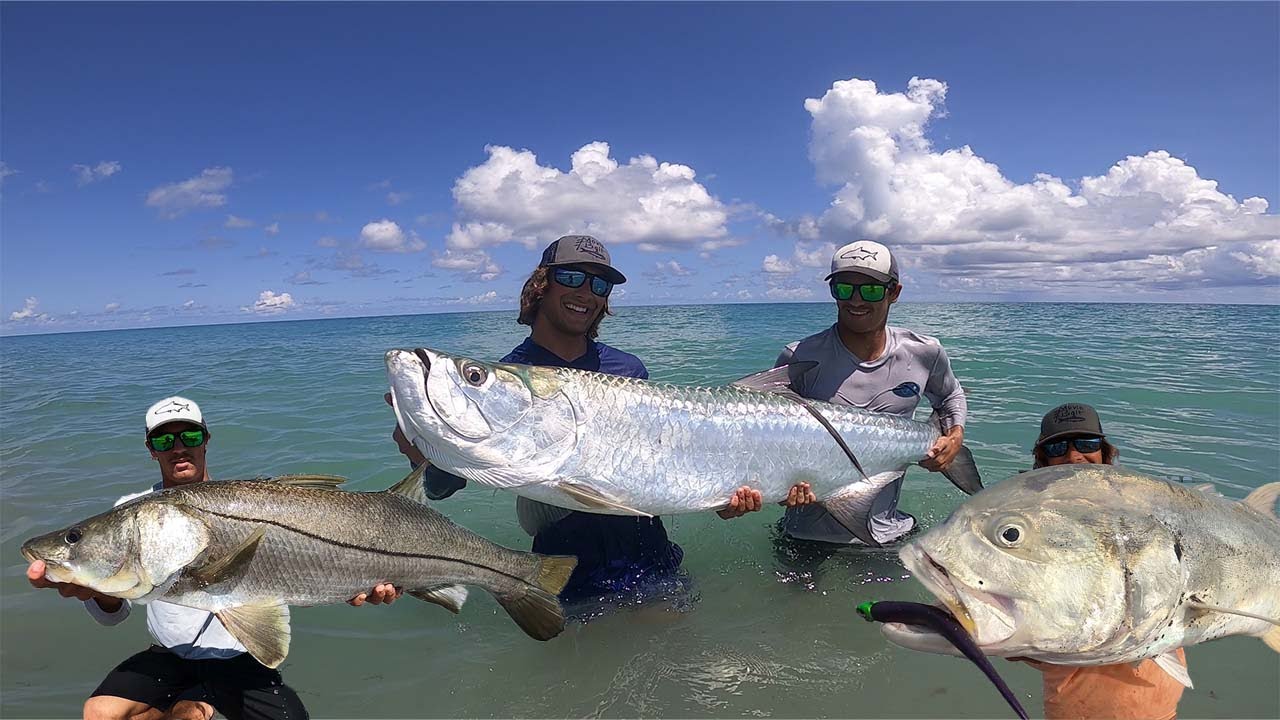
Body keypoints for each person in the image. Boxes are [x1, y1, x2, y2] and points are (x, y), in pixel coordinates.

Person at [388, 234, 769, 604]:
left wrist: (723, 497)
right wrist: (420, 453)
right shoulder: (508, 376)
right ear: (542, 285)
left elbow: (665, 465)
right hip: (565, 571)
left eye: (600, 285)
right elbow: (444, 484)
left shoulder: (627, 369)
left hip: (652, 563)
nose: (586, 293)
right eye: (572, 277)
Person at [26, 396, 397, 720]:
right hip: (169, 657)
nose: (178, 447)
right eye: (163, 439)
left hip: (238, 656)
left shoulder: (250, 502)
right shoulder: (131, 511)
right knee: (101, 712)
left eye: (189, 436)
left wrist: (357, 581)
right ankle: (192, 705)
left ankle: (196, 705)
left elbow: (311, 569)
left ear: (205, 440)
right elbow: (115, 613)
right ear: (151, 449)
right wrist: (92, 590)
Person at [773, 240, 969, 547]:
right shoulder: (798, 358)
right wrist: (776, 489)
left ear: (894, 293)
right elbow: (768, 444)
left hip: (888, 534)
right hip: (804, 537)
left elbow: (949, 397)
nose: (856, 300)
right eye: (844, 288)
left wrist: (954, 436)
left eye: (871, 290)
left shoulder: (924, 352)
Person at [1020, 402, 1186, 720]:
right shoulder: (1036, 534)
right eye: (1057, 447)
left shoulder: (1146, 510)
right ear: (1042, 460)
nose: (1074, 457)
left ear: (1104, 452)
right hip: (1074, 707)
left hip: (1159, 703)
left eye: (1086, 444)